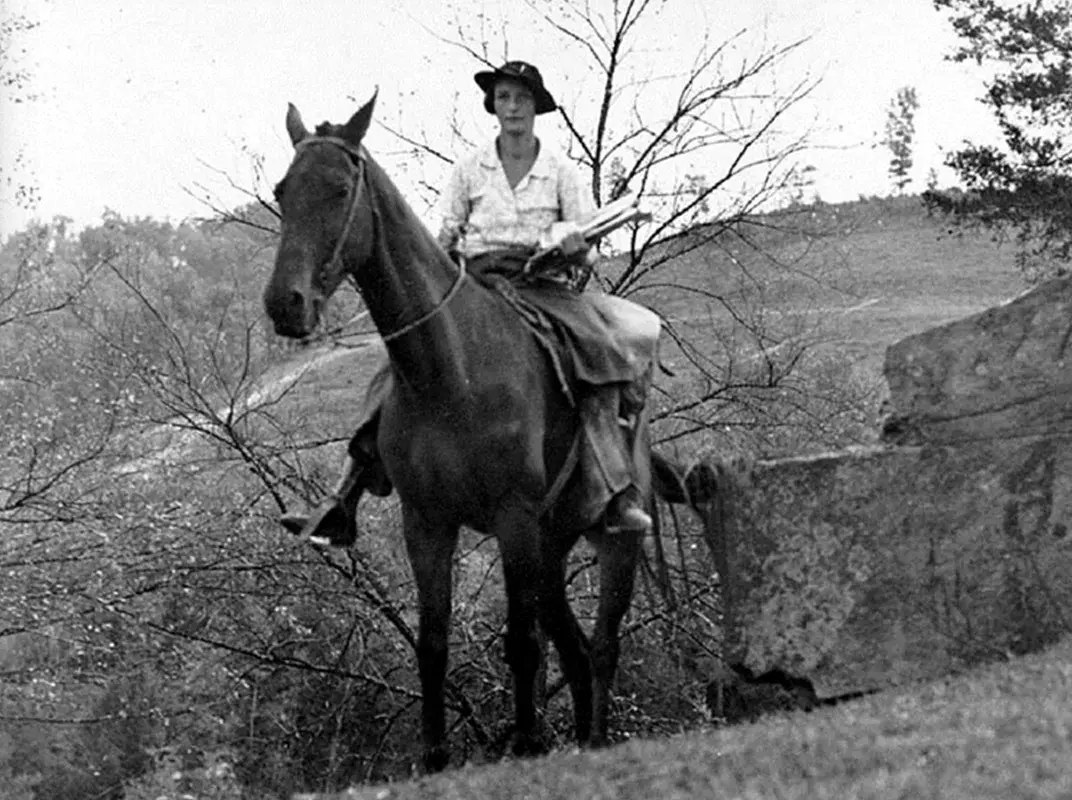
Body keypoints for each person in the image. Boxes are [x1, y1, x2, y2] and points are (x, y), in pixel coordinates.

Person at [289, 60, 661, 544]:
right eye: (505, 98)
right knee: (401, 364)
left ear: (535, 108)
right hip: (478, 281)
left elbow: (587, 243)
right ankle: (343, 497)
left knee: (598, 352)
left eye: (522, 99)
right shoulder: (470, 168)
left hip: (543, 286)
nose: (513, 108)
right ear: (494, 106)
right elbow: (446, 234)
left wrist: (574, 247)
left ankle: (616, 489)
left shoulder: (560, 171)